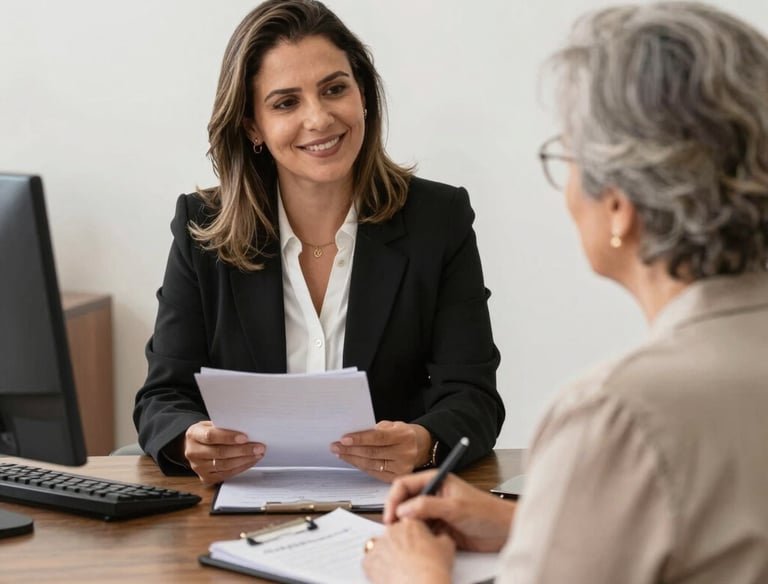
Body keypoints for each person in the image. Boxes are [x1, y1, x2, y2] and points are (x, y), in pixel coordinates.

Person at [363, 3, 768, 583]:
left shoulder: (616, 417)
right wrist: (534, 523)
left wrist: (417, 576)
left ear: (620, 207)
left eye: (570, 156)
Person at [133, 0, 505, 485]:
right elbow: (161, 398)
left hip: (390, 508)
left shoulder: (438, 219)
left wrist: (422, 442)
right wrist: (191, 439)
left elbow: (472, 395)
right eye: (286, 102)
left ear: (363, 95)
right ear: (252, 126)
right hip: (238, 509)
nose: (319, 118)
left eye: (334, 89)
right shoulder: (202, 226)